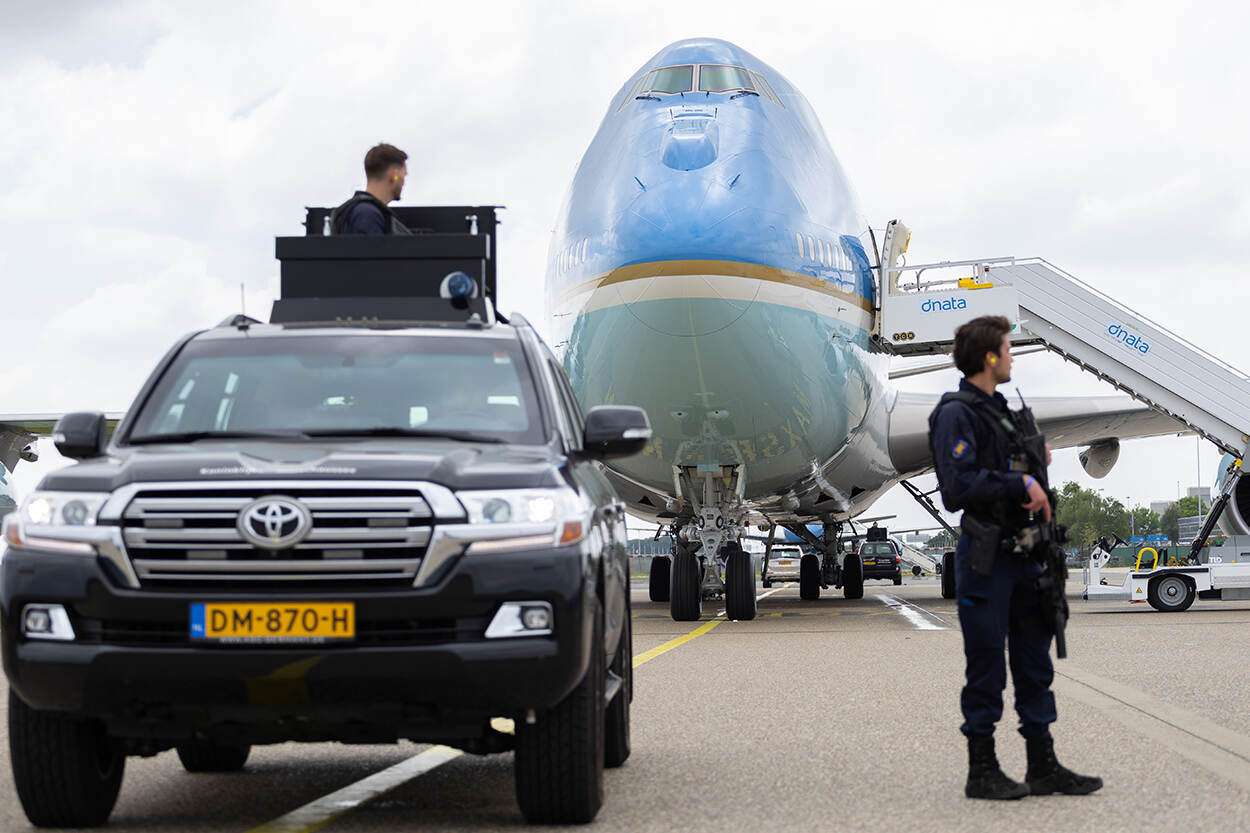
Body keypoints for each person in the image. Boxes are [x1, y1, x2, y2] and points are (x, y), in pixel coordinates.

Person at [928, 315, 1102, 800]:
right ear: (988, 356)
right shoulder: (955, 414)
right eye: (1006, 348)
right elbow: (957, 488)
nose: (1011, 356)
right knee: (986, 665)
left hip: (1027, 557)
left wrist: (1032, 464)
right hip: (987, 559)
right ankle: (981, 770)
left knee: (1034, 664)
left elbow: (1002, 469)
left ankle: (1043, 767)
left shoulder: (1001, 411)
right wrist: (1018, 481)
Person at [330, 143, 411, 235]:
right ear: (394, 175)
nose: (403, 182)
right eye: (404, 175)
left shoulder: (361, 211)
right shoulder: (367, 215)